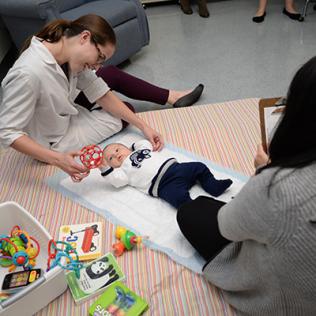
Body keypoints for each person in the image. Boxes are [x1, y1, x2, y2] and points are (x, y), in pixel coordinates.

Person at [176, 56, 316, 315]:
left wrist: (264, 172)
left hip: (286, 301)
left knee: (192, 210)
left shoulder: (279, 186)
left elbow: (228, 227)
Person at [0, 14, 204, 182]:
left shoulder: (65, 53)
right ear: (84, 37)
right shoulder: (27, 74)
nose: (97, 66)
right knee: (123, 112)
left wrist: (144, 127)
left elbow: (101, 92)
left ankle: (171, 97)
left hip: (63, 117)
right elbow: (8, 132)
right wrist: (58, 159)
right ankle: (170, 97)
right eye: (99, 58)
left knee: (115, 93)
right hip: (53, 144)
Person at [98, 139, 232, 209]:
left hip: (176, 168)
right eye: (111, 158)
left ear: (127, 148)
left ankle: (213, 186)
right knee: (180, 199)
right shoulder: (122, 171)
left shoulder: (141, 149)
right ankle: (199, 209)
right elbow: (117, 181)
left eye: (117, 149)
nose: (116, 155)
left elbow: (145, 143)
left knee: (199, 166)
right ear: (112, 166)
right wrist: (105, 169)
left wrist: (133, 147)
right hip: (163, 185)